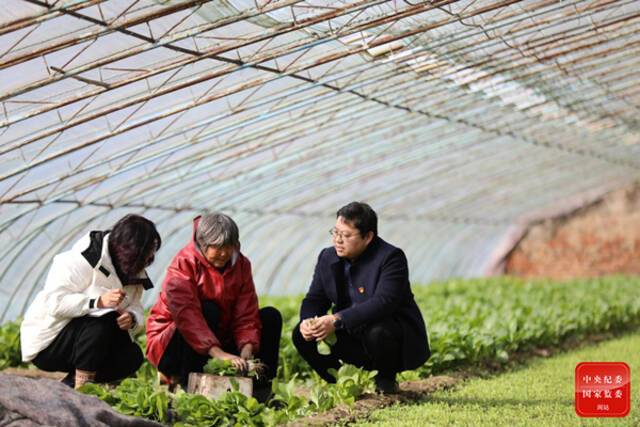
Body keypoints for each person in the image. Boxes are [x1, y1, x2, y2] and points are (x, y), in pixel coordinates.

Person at [292, 202, 430, 393]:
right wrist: (308, 320)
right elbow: (315, 298)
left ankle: (385, 380)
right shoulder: (327, 257)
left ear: (367, 237)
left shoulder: (390, 257)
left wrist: (337, 320)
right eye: (335, 232)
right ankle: (344, 384)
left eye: (346, 235)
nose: (338, 240)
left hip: (388, 340)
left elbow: (384, 302)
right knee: (301, 335)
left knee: (378, 332)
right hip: (351, 335)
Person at [146, 213, 282, 400]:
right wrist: (218, 353)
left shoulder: (241, 265)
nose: (224, 253)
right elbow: (187, 317)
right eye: (217, 248)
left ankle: (259, 390)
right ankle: (188, 385)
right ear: (202, 244)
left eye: (228, 247)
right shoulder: (184, 263)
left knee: (270, 317)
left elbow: (246, 312)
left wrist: (247, 346)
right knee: (208, 309)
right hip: (173, 345)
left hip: (217, 340)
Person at [20, 214, 161, 389]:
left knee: (132, 357)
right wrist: (97, 302)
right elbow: (54, 303)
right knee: (103, 320)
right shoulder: (77, 260)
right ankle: (83, 391)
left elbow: (136, 307)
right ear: (125, 249)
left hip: (87, 348)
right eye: (142, 257)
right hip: (50, 344)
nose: (146, 262)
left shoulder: (134, 270)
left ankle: (69, 387)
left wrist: (132, 318)